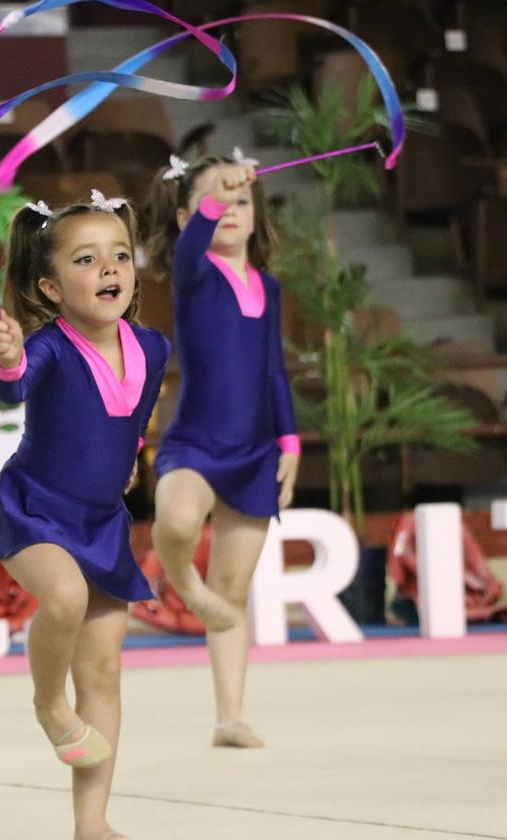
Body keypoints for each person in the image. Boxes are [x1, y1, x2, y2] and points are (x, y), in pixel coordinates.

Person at [0, 191, 169, 840]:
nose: (110, 269)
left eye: (119, 255)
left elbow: (135, 417)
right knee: (62, 595)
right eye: (88, 260)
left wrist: (136, 454)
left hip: (102, 520)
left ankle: (92, 824)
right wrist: (5, 357)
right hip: (34, 509)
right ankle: (47, 703)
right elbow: (14, 382)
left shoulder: (153, 347)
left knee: (106, 670)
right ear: (52, 288)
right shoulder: (50, 348)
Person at [147, 156, 300, 748]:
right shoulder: (196, 274)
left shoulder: (268, 286)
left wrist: (288, 440)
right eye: (215, 201)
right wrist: (216, 197)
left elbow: (273, 370)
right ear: (189, 216)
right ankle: (183, 584)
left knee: (233, 591)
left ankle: (229, 716)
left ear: (257, 215)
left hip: (256, 450)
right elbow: (188, 251)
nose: (231, 209)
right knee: (178, 519)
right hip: (197, 442)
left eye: (241, 200)